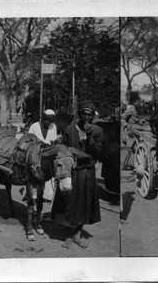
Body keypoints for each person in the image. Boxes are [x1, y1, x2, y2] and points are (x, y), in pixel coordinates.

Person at [51, 102, 102, 249]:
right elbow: (64, 150)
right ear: (79, 114)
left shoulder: (98, 130)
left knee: (84, 203)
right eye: (83, 114)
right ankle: (68, 235)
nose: (86, 117)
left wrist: (91, 137)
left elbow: (98, 153)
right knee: (69, 202)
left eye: (89, 114)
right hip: (72, 171)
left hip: (87, 172)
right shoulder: (69, 130)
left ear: (93, 116)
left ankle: (77, 235)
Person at [27, 109, 58, 202]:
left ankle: (47, 195)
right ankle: (33, 195)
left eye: (51, 121)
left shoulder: (53, 126)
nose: (49, 123)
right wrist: (40, 144)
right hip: (35, 154)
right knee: (34, 173)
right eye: (47, 120)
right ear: (43, 118)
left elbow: (54, 140)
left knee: (50, 171)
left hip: (48, 154)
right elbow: (29, 139)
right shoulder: (34, 126)